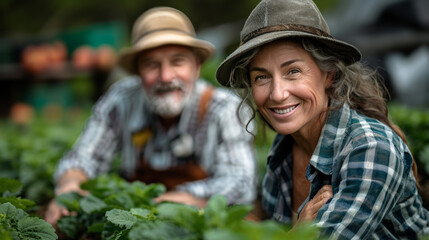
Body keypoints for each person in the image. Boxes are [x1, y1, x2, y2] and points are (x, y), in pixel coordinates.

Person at [215, 0, 429, 239]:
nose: (277, 93)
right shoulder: (285, 147)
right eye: (261, 77)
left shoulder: (371, 148)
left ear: (329, 74)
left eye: (293, 71)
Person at [45, 6, 257, 225]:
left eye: (177, 62)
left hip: (203, 224)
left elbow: (241, 182)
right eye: (152, 65)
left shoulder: (225, 109)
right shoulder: (121, 101)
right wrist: (70, 184)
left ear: (196, 67)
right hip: (135, 223)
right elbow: (85, 157)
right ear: (137, 72)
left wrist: (177, 199)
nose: (165, 77)